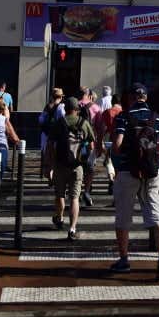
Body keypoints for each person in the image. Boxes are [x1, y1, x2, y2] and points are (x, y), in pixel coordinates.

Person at [110, 83, 159, 279]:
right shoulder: (157, 118)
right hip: (153, 172)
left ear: (131, 98)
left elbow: (117, 146)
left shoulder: (123, 117)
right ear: (145, 98)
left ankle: (124, 260)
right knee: (157, 218)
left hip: (128, 172)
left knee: (123, 219)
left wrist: (117, 153)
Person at [49, 98, 95, 240]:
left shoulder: (59, 122)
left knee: (60, 195)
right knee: (74, 198)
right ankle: (72, 229)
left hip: (60, 164)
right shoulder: (83, 123)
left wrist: (49, 165)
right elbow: (92, 145)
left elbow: (50, 145)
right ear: (77, 109)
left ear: (66, 109)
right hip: (77, 165)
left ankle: (60, 217)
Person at [77, 87, 102, 206]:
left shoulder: (73, 105)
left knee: (76, 166)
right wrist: (99, 143)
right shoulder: (96, 108)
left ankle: (75, 190)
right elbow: (99, 128)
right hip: (90, 142)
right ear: (90, 95)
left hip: (74, 142)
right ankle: (86, 191)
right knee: (90, 168)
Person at [38, 87, 65, 177]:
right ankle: (53, 172)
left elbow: (41, 120)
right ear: (61, 97)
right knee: (55, 156)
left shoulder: (47, 106)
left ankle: (48, 172)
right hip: (56, 136)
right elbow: (62, 121)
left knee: (47, 156)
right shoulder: (61, 107)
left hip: (46, 135)